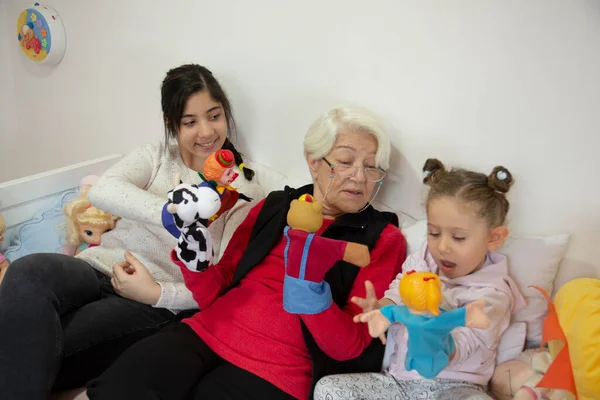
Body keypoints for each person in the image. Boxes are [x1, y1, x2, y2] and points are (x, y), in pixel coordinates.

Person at [85, 106, 407, 400]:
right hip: (206, 331)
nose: (359, 177)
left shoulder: (382, 239)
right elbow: (218, 287)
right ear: (313, 161)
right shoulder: (275, 206)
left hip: (279, 371)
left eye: (372, 167)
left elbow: (347, 346)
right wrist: (196, 264)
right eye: (346, 161)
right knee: (120, 385)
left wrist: (309, 290)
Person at [0, 64, 263, 400]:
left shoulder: (241, 193)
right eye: (190, 121)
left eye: (214, 116)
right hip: (96, 266)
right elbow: (103, 190)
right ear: (172, 124)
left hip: (148, 300)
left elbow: (223, 285)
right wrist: (169, 214)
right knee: (29, 269)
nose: (207, 131)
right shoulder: (156, 156)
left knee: (37, 346)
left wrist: (155, 293)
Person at [314, 158, 527, 400]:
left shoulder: (493, 294)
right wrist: (381, 309)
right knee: (328, 388)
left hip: (455, 388)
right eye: (434, 233)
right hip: (397, 383)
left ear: (493, 238)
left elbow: (464, 345)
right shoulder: (425, 258)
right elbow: (398, 291)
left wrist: (431, 332)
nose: (443, 247)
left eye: (458, 238)